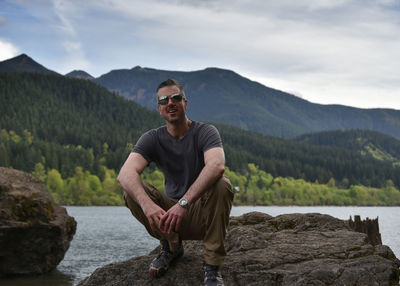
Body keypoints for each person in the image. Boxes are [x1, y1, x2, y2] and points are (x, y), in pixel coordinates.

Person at [117, 78, 234, 286]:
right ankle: (171, 247)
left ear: (185, 103)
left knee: (222, 184)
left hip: (200, 213)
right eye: (164, 100)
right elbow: (125, 174)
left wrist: (184, 203)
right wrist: (148, 205)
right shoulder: (152, 138)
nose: (170, 103)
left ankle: (212, 266)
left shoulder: (205, 132)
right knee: (132, 192)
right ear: (159, 109)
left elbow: (216, 165)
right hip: (169, 219)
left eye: (175, 98)